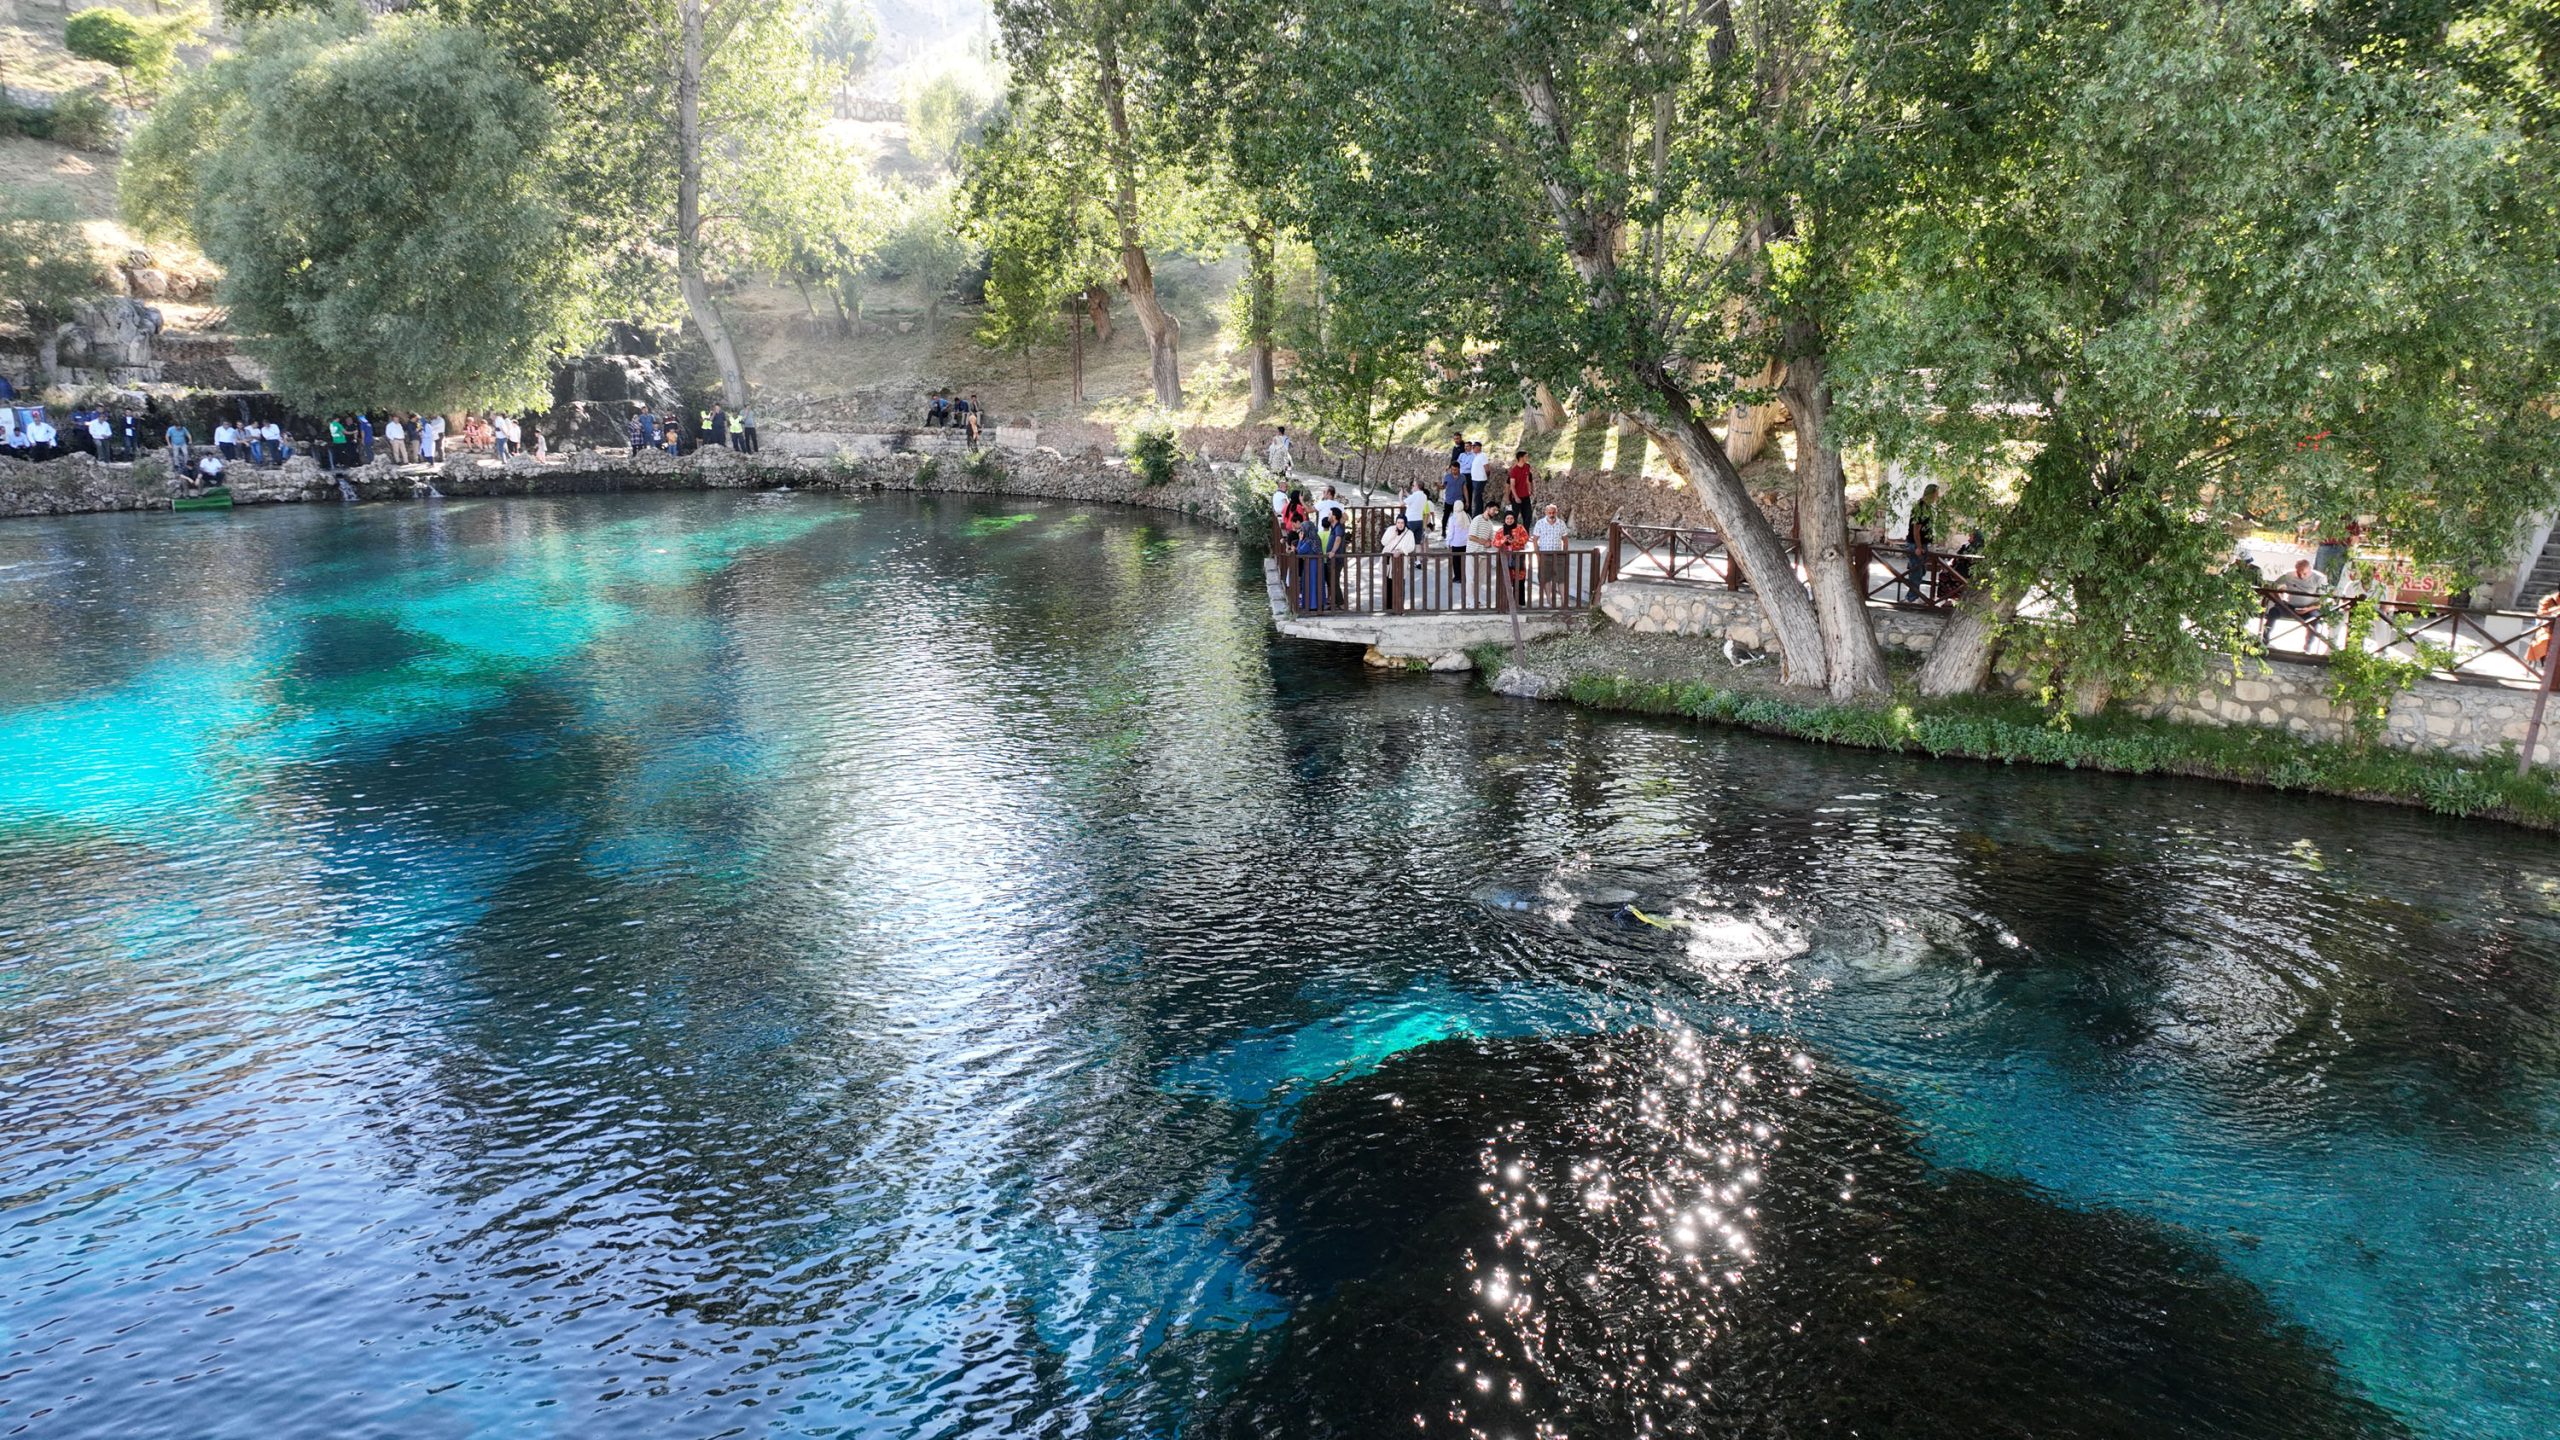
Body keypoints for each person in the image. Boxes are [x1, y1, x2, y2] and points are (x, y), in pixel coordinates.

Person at [2262, 557, 2328, 641]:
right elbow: (2273, 586)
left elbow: (2323, 600)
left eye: (2305, 573)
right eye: (2299, 573)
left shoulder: (2319, 578)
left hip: (2310, 608)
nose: (2301, 576)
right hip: (2289, 606)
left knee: (2314, 620)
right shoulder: (2288, 575)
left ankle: (2308, 646)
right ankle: (2264, 638)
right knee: (2273, 612)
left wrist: (2308, 609)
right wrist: (2279, 600)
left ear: (2310, 569)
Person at [1902, 482, 1940, 603]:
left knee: (1921, 570)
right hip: (1916, 544)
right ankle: (1912, 598)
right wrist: (1918, 547)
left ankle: (1914, 595)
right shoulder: (1920, 508)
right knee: (1916, 571)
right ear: (1931, 494)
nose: (1937, 497)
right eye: (1936, 494)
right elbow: (1916, 530)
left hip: (1922, 544)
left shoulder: (1927, 507)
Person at [1532, 502, 1571, 602]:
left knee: (1562, 577)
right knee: (1546, 578)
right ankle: (1549, 600)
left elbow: (1565, 540)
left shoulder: (1561, 523)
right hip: (1544, 554)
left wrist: (1564, 553)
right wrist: (1537, 554)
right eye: (1549, 512)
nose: (1551, 514)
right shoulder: (1540, 523)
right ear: (1546, 512)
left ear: (1556, 512)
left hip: (1558, 554)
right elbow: (1535, 540)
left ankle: (1564, 601)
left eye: (1553, 512)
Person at [1380, 512, 1418, 610]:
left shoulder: (1409, 533)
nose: (1400, 525)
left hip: (1400, 561)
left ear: (1405, 523)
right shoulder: (1391, 529)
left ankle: (1399, 607)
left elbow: (1411, 546)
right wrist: (1393, 535)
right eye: (1398, 522)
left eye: (1402, 523)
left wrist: (1401, 551)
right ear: (1396, 523)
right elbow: (1383, 542)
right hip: (1388, 560)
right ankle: (1388, 607)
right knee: (1388, 583)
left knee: (1400, 583)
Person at [1497, 507, 1532, 606]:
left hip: (1518, 558)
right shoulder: (1500, 531)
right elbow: (1495, 543)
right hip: (1505, 559)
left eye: (1511, 518)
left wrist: (1516, 540)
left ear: (1514, 519)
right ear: (1504, 519)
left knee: (1519, 579)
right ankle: (1506, 603)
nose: (1509, 520)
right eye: (1507, 518)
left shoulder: (1520, 528)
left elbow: (1526, 538)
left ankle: (1519, 602)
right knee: (1506, 579)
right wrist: (1503, 540)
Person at [1468, 502, 1500, 608]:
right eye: (1494, 509)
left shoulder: (1490, 523)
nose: (1495, 512)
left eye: (1496, 511)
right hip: (1473, 553)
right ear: (1487, 508)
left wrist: (1490, 543)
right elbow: (1471, 536)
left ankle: (1477, 598)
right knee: (1471, 578)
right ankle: (1471, 600)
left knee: (1480, 579)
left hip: (1484, 554)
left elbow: (1492, 538)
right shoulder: (1477, 519)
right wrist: (1484, 542)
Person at [1443, 498, 1470, 596]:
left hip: (1456, 543)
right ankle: (1465, 576)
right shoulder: (1467, 516)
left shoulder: (1452, 518)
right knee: (1465, 560)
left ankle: (1458, 577)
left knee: (1456, 561)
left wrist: (1448, 542)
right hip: (1466, 543)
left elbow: (1451, 533)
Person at [1403, 476, 1433, 542]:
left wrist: (1400, 496)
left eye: (1413, 485)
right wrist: (1406, 493)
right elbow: (1414, 499)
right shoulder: (1424, 496)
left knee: (1408, 540)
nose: (1412, 487)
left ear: (1417, 486)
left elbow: (1402, 503)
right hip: (1419, 520)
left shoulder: (1415, 495)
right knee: (1417, 542)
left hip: (1411, 520)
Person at [1506, 449, 1534, 515]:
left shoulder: (1527, 467)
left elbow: (1528, 480)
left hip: (1526, 496)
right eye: (1526, 456)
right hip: (1517, 496)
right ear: (1521, 458)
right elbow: (1511, 485)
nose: (1527, 458)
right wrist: (1515, 497)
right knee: (1515, 515)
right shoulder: (1514, 471)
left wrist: (1530, 490)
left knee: (1528, 515)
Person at [1465, 441, 1489, 513]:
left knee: (1477, 497)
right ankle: (1478, 512)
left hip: (1480, 479)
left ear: (1478, 447)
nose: (1473, 448)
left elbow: (1487, 468)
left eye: (1474, 447)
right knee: (1477, 497)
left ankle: (1478, 513)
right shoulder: (1476, 456)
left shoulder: (1482, 455)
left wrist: (1486, 477)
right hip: (1475, 479)